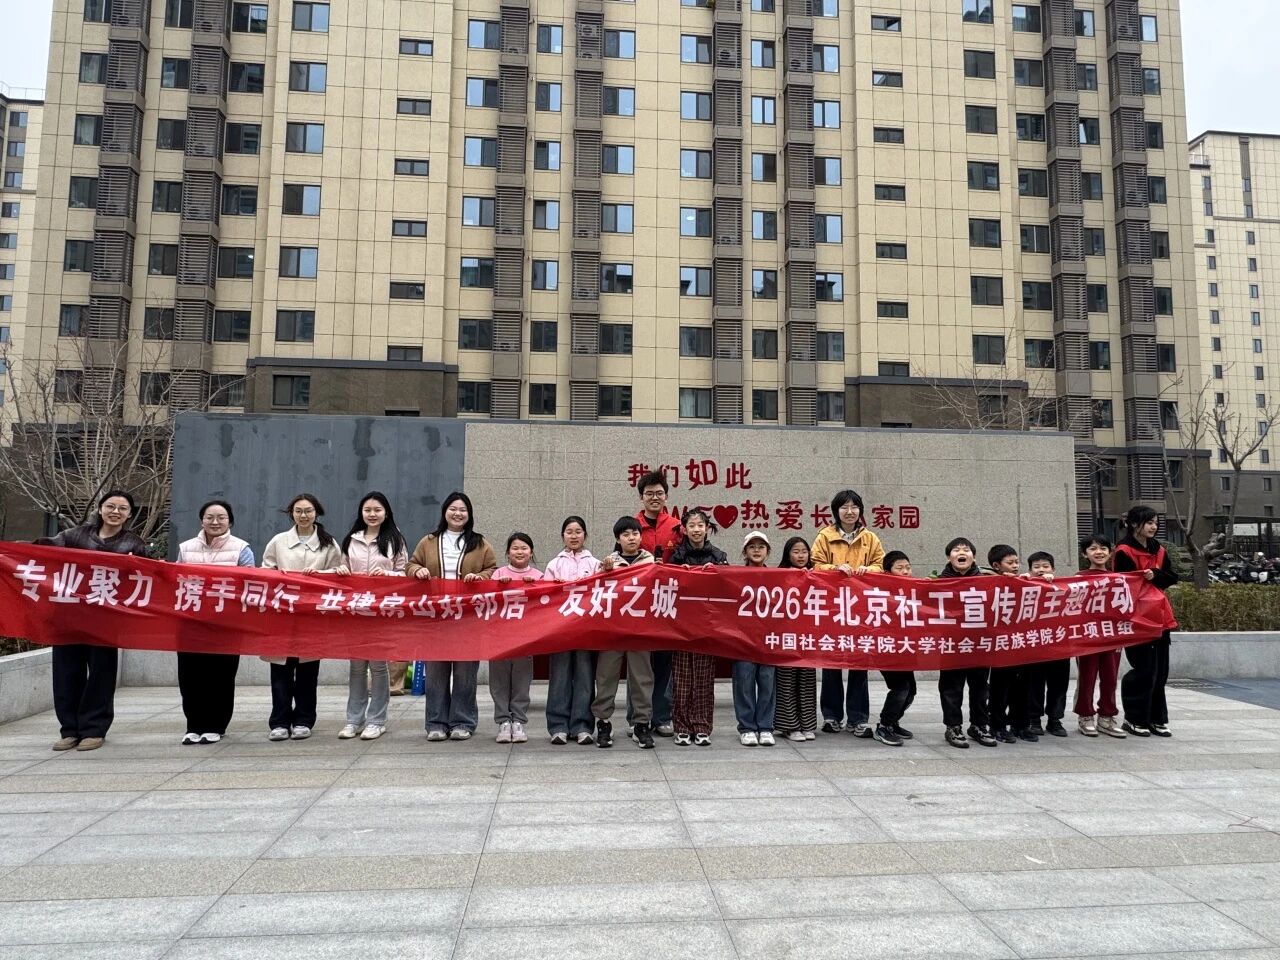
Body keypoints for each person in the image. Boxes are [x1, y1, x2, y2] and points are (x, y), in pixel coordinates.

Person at [45, 490, 151, 752]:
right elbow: (44, 551)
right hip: (69, 616)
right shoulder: (74, 536)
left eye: (122, 508)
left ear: (129, 514)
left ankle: (93, 729)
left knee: (101, 675)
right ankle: (69, 730)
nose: (116, 512)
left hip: (106, 621)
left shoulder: (134, 543)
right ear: (101, 508)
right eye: (111, 506)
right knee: (66, 673)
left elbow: (148, 577)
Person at [407, 491, 498, 741]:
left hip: (467, 618)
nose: (457, 514)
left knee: (465, 672)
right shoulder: (429, 541)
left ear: (469, 515)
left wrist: (479, 578)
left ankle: (462, 721)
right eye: (453, 509)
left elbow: (493, 570)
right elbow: (410, 565)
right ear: (445, 511)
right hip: (435, 617)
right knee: (436, 672)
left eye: (463, 510)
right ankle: (436, 722)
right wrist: (418, 570)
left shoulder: (480, 543)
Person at [262, 493, 344, 742]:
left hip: (312, 617)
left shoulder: (328, 543)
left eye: (308, 511)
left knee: (308, 672)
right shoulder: (278, 541)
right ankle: (279, 721)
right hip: (283, 615)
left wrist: (320, 574)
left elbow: (339, 573)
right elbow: (266, 570)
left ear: (316, 513)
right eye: (298, 511)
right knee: (280, 671)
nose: (303, 515)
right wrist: (281, 576)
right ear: (292, 514)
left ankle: (304, 720)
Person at [175, 499, 254, 745]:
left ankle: (215, 725)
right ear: (202, 521)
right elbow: (176, 581)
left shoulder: (242, 549)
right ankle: (193, 725)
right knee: (190, 676)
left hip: (226, 624)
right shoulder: (186, 548)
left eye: (221, 517)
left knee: (221, 676)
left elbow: (249, 584)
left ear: (230, 521)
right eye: (210, 517)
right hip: (191, 622)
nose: (215, 522)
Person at [811, 489, 885, 737]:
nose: (849, 511)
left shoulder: (870, 538)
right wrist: (835, 568)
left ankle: (858, 718)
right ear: (836, 511)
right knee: (831, 663)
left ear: (860, 510)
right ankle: (831, 716)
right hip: (833, 608)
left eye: (854, 507)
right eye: (844, 507)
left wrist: (868, 570)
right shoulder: (824, 536)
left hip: (861, 609)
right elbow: (815, 565)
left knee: (859, 664)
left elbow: (881, 564)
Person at [336, 492, 408, 742]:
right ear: (361, 513)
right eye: (367, 510)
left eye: (377, 510)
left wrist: (389, 575)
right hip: (356, 611)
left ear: (386, 513)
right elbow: (342, 569)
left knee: (378, 666)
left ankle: (377, 720)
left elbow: (405, 574)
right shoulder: (351, 539)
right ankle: (353, 719)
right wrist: (341, 570)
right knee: (356, 666)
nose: (372, 514)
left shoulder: (395, 540)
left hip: (381, 612)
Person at [1114, 505, 1179, 738]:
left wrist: (1156, 575)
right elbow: (1123, 584)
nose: (1153, 527)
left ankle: (1157, 718)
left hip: (1160, 617)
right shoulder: (1124, 551)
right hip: (1137, 618)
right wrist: (1147, 577)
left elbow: (1171, 576)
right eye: (1149, 522)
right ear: (1134, 524)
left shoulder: (1159, 549)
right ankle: (1134, 718)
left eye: (1155, 523)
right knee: (1144, 670)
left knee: (1161, 672)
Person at [593, 517, 657, 749]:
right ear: (617, 539)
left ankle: (641, 724)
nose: (631, 538)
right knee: (606, 676)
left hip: (641, 630)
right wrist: (604, 571)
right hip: (613, 630)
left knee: (642, 678)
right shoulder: (608, 563)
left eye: (635, 533)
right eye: (626, 534)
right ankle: (603, 722)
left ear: (641, 536)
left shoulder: (651, 562)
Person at [668, 510, 728, 746]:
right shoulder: (675, 556)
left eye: (700, 525)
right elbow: (667, 586)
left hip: (707, 626)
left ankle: (702, 726)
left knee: (704, 679)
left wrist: (716, 573)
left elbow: (727, 588)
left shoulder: (719, 556)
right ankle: (682, 727)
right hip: (681, 626)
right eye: (691, 525)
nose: (696, 529)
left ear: (707, 528)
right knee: (682, 679)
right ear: (684, 529)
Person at [631, 470, 684, 738]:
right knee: (638, 663)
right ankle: (636, 718)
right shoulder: (631, 526)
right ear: (641, 497)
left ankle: (662, 716)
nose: (654, 498)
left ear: (666, 496)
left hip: (667, 602)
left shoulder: (677, 527)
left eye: (659, 493)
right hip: (638, 604)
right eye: (649, 493)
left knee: (664, 662)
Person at [543, 516, 601, 745]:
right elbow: (544, 598)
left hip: (586, 630)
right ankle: (558, 726)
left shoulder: (595, 564)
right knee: (560, 676)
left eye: (578, 531)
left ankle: (582, 725)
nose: (574, 536)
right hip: (559, 630)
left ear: (585, 535)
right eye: (569, 532)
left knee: (585, 676)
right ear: (562, 536)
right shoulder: (554, 564)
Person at [936, 537, 996, 749]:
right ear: (948, 557)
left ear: (974, 557)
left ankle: (979, 725)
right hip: (951, 644)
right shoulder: (935, 582)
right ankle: (953, 727)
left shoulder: (988, 581)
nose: (961, 552)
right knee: (951, 688)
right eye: (956, 550)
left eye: (966, 549)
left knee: (980, 688)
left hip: (979, 644)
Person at [488, 532, 541, 744]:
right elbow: (488, 602)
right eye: (515, 548)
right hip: (499, 638)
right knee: (499, 681)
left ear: (531, 552)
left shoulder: (539, 576)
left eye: (524, 548)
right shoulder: (498, 574)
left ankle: (518, 720)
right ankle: (503, 721)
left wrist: (534, 587)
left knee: (521, 680)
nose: (520, 552)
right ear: (508, 553)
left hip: (525, 638)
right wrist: (498, 586)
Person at [1073, 536, 1124, 738]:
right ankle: (1085, 716)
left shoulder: (1118, 578)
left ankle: (1107, 717)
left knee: (1110, 678)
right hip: (1088, 636)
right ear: (1084, 554)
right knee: (1087, 677)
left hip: (1112, 636)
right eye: (1093, 548)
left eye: (1103, 548)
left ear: (1110, 553)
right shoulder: (1078, 578)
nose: (1099, 552)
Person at [985, 544, 1033, 744]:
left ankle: (1020, 724)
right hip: (1000, 646)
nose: (1015, 566)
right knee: (1000, 688)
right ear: (996, 566)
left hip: (1021, 644)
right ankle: (997, 725)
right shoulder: (988, 583)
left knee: (1022, 687)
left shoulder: (1023, 582)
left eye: (1016, 562)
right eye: (1010, 563)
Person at [734, 532, 777, 746]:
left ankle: (766, 726)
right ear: (745, 552)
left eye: (761, 546)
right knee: (744, 681)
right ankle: (747, 727)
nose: (757, 550)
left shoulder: (777, 577)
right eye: (752, 546)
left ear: (768, 552)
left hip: (768, 639)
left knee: (767, 682)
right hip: (743, 639)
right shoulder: (736, 576)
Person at [775, 536, 818, 742]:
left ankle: (807, 724)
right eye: (796, 551)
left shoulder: (817, 575)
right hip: (786, 636)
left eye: (804, 551)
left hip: (808, 637)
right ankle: (789, 726)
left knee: (807, 680)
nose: (801, 556)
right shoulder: (779, 575)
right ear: (787, 554)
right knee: (786, 681)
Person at [873, 550, 918, 747]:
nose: (905, 571)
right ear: (887, 572)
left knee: (911, 691)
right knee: (900, 687)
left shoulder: (915, 589)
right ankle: (883, 726)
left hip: (905, 648)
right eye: (900, 568)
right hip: (887, 649)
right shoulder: (879, 592)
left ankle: (892, 722)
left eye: (908, 567)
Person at [1026, 550, 1069, 738]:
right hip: (1035, 645)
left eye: (1045, 566)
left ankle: (1055, 719)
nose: (1041, 570)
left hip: (1059, 645)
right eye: (1036, 567)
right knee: (1034, 684)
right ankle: (1034, 719)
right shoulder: (1025, 586)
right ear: (1029, 570)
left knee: (1058, 685)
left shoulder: (1062, 588)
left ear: (1053, 570)